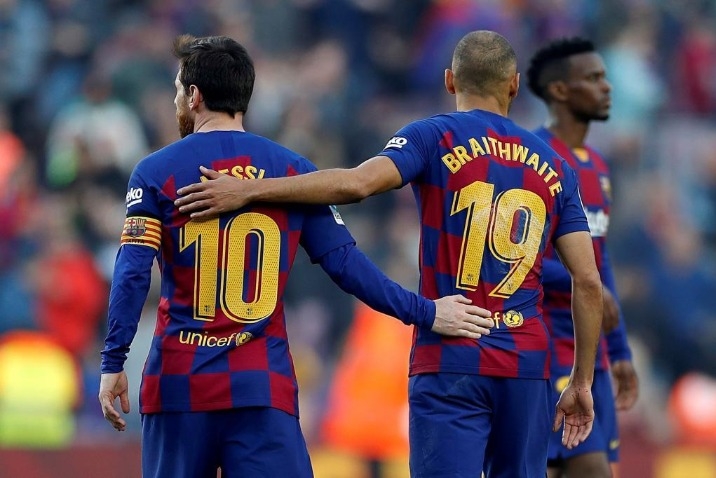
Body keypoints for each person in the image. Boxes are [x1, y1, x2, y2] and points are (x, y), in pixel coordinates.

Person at [174, 30, 604, 478]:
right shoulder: (557, 166)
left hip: (450, 357)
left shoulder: (433, 136)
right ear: (514, 84)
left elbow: (357, 184)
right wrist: (582, 380)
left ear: (450, 81)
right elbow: (589, 281)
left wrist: (251, 190)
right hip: (525, 361)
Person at [97, 34, 496, 478]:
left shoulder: (154, 172)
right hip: (261, 387)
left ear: (194, 96)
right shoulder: (293, 172)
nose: (176, 101)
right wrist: (425, 311)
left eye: (177, 90)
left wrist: (114, 361)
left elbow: (132, 274)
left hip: (180, 384)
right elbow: (347, 266)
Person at [525, 37, 640, 478]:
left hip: (593, 354)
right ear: (560, 90)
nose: (606, 87)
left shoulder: (599, 166)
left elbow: (600, 261)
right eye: (593, 78)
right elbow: (522, 257)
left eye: (604, 77)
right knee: (591, 470)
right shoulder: (533, 158)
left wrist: (620, 349)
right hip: (548, 344)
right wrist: (580, 281)